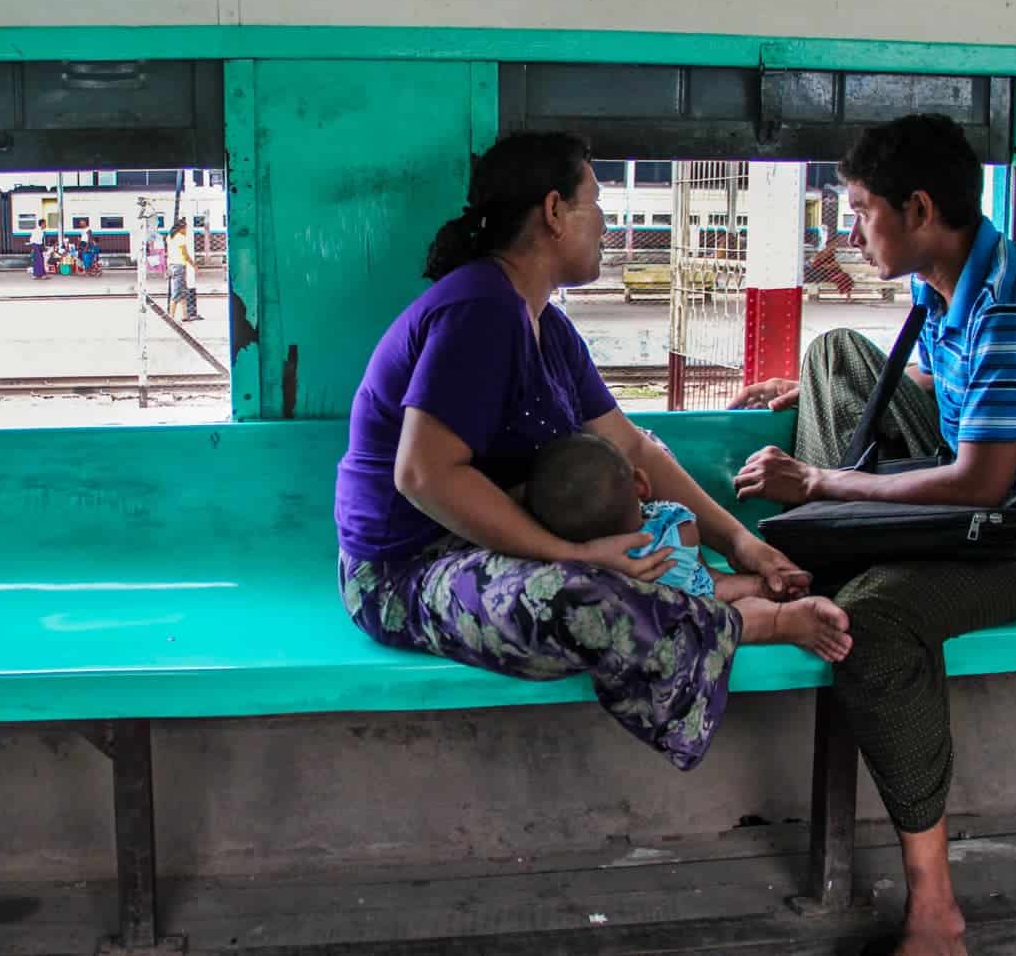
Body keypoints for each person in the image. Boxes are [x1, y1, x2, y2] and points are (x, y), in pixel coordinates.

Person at [728, 114, 1016, 956]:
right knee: (835, 355)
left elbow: (981, 483)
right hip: (994, 479)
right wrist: (799, 389)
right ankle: (837, 552)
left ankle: (936, 909)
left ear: (917, 209)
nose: (850, 229)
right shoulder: (946, 279)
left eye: (860, 209)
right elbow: (940, 379)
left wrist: (819, 482)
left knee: (873, 620)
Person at [335, 132, 852, 778]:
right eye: (597, 202)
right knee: (582, 601)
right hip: (405, 573)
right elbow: (422, 473)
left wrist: (741, 542)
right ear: (554, 212)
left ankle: (735, 588)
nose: (607, 223)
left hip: (496, 547)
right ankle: (756, 622)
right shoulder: (480, 309)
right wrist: (576, 553)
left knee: (639, 545)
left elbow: (631, 444)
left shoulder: (546, 327)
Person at [526, 432, 767, 603]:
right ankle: (771, 597)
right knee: (717, 585)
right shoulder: (677, 526)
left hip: (647, 618)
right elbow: (703, 578)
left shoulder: (579, 568)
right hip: (701, 598)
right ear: (641, 483)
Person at [166, 218, 197, 320]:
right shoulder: (180, 238)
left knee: (182, 291)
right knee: (176, 292)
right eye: (186, 228)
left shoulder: (169, 237)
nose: (186, 231)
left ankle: (185, 315)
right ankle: (171, 317)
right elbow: (185, 254)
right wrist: (194, 265)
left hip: (172, 265)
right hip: (179, 266)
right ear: (181, 228)